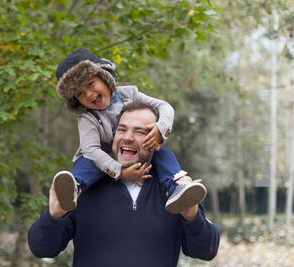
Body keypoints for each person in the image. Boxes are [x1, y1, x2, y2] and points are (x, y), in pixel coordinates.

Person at [28, 102, 220, 267]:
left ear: (156, 142)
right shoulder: (82, 188)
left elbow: (206, 249)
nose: (127, 137)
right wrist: (54, 215)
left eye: (139, 132)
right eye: (122, 129)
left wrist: (191, 216)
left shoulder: (176, 192)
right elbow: (41, 247)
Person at [53, 47, 206, 214]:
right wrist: (120, 172)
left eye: (90, 84)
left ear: (105, 77)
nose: (89, 94)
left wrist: (160, 128)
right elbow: (91, 149)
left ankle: (177, 188)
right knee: (86, 162)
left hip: (133, 151)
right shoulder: (87, 117)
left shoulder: (129, 94)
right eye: (80, 94)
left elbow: (164, 106)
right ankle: (73, 188)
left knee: (164, 155)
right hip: (101, 158)